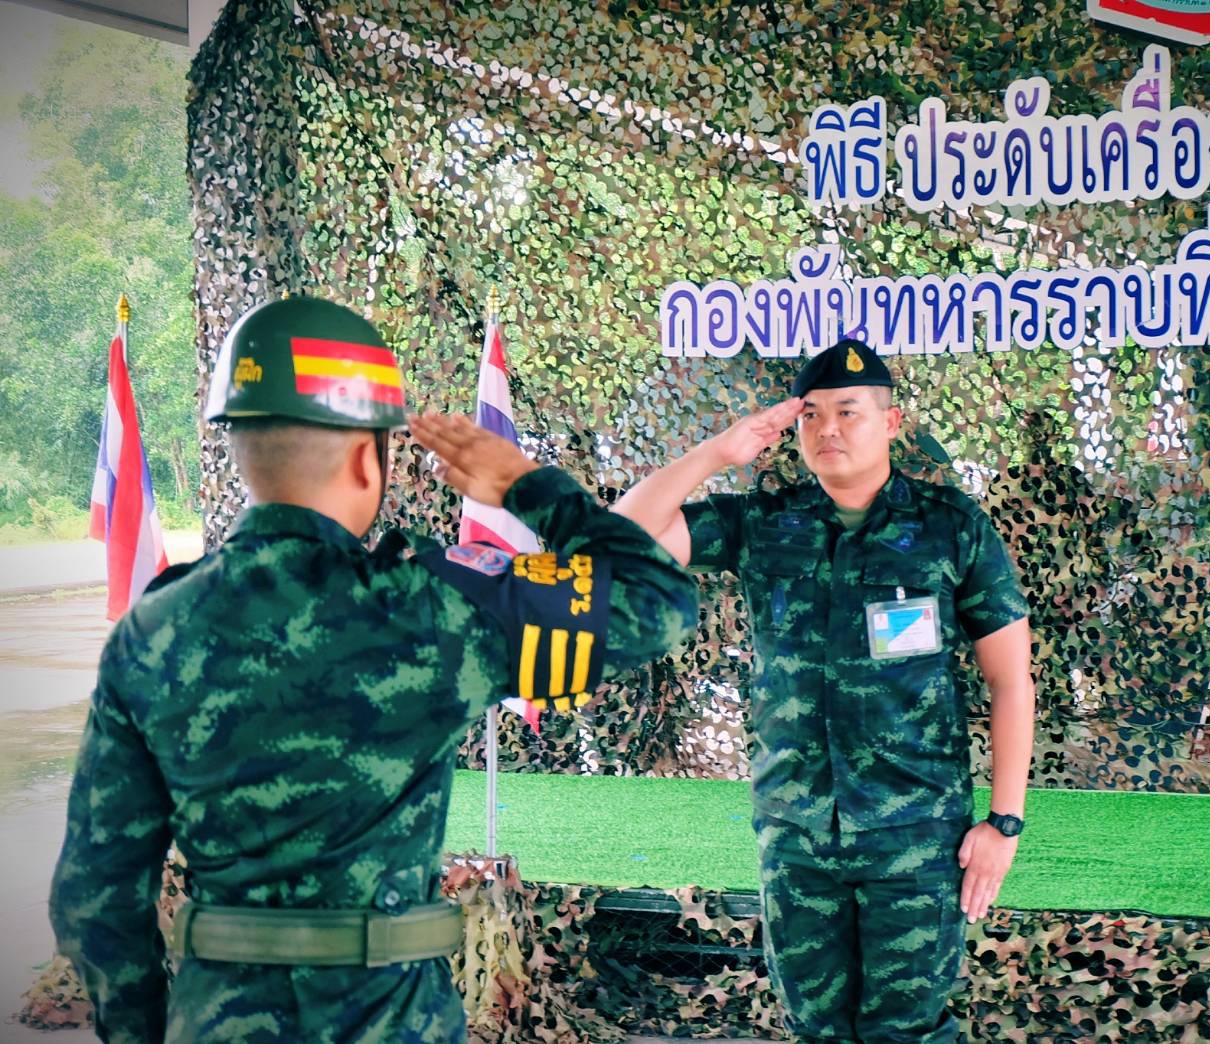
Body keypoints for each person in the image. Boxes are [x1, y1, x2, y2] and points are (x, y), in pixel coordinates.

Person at [48, 295, 697, 1043]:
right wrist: (525, 483)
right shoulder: (434, 608)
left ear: (240, 445)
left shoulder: (152, 629)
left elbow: (93, 898)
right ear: (368, 457)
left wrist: (148, 1030)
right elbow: (658, 600)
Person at [613, 338, 1035, 1042]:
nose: (827, 428)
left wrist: (1004, 824)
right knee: (814, 1029)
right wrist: (715, 454)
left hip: (914, 833)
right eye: (810, 414)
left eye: (848, 411)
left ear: (891, 422)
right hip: (798, 833)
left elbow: (1010, 679)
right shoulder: (764, 523)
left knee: (906, 1032)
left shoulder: (950, 528)